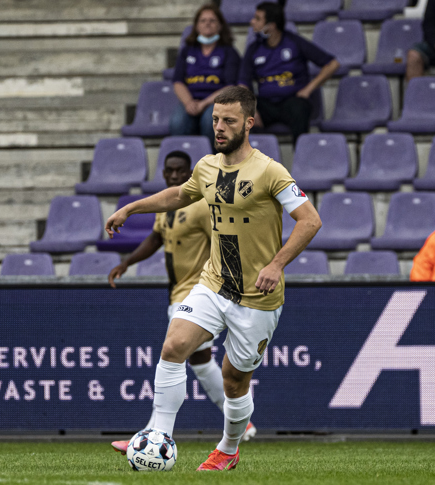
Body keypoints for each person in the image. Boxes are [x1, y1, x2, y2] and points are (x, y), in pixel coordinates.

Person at [105, 86, 321, 471]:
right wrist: (131, 208)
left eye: (229, 121)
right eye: (216, 120)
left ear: (249, 124)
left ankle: (228, 448)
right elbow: (178, 197)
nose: (219, 128)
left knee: (234, 381)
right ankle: (160, 436)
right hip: (213, 282)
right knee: (173, 347)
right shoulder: (207, 167)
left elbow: (310, 220)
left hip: (256, 297)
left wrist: (276, 264)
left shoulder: (270, 171)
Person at [107, 150, 256, 454]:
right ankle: (242, 422)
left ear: (190, 173)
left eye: (180, 171)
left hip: (198, 290)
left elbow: (222, 238)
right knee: (199, 361)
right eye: (169, 171)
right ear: (163, 173)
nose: (174, 176)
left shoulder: (202, 205)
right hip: (177, 291)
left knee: (173, 354)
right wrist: (127, 262)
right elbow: (156, 239)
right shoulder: (167, 207)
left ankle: (151, 434)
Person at [239, 2, 340, 142]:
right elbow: (243, 84)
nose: (252, 22)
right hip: (266, 104)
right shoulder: (253, 48)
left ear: (271, 25)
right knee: (242, 115)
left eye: (257, 19)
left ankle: (301, 159)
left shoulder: (294, 42)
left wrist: (309, 89)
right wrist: (251, 110)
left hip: (292, 101)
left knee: (300, 108)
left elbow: (333, 64)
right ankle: (255, 161)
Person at [171, 5, 240, 141]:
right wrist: (188, 102)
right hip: (191, 100)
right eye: (203, 20)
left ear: (220, 26)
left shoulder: (229, 52)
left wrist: (204, 104)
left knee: (211, 122)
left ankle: (214, 160)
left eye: (212, 20)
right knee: (177, 123)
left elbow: (230, 87)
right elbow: (178, 81)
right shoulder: (187, 51)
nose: (207, 23)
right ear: (196, 26)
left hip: (217, 101)